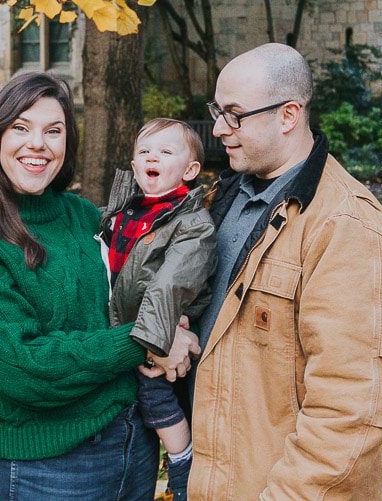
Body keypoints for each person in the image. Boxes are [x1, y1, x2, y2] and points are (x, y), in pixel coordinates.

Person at [0, 72, 198, 501]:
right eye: (21, 127)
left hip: (136, 444)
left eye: (53, 131)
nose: (37, 143)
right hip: (52, 468)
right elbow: (22, 366)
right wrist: (151, 339)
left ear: (66, 144)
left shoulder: (84, 217)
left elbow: (145, 283)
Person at [189, 43, 382, 500]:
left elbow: (350, 407)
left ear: (288, 115)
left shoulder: (345, 224)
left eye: (234, 114)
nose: (218, 128)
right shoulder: (221, 199)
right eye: (216, 111)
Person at [99, 118, 218, 501]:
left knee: (156, 398)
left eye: (166, 152)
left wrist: (151, 344)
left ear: (190, 170)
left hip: (157, 332)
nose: (153, 157)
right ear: (134, 168)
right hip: (126, 328)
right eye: (145, 152)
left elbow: (170, 285)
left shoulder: (191, 222)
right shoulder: (124, 212)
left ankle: (183, 462)